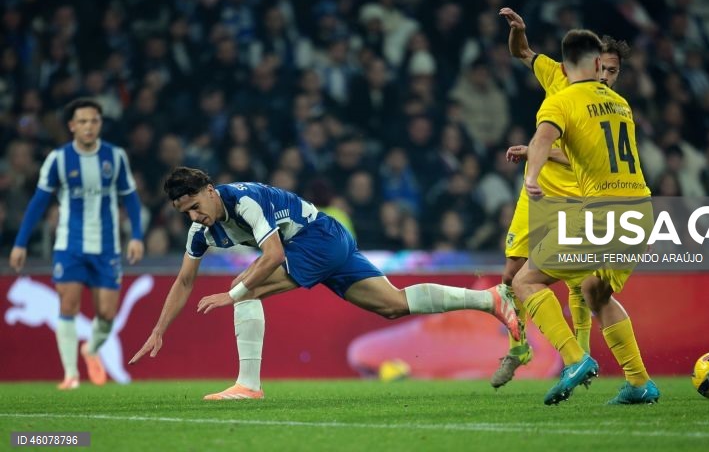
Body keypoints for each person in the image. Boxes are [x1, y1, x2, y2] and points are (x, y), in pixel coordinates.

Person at [129, 167, 519, 400]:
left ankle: (248, 385)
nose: (195, 216)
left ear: (211, 190)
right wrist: (159, 329)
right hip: (326, 240)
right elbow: (183, 281)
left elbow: (274, 257)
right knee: (392, 304)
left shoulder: (245, 201)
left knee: (244, 287)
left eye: (197, 205)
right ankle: (490, 300)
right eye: (186, 213)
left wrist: (232, 295)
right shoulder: (201, 230)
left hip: (318, 238)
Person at [512, 29, 659, 405]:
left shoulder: (561, 101)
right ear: (597, 65)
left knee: (525, 281)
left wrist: (531, 177)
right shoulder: (619, 103)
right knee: (596, 290)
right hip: (640, 211)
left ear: (562, 67)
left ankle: (576, 359)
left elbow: (543, 139)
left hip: (601, 214)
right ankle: (640, 383)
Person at [489, 7, 631, 388]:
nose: (605, 76)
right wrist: (519, 30)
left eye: (612, 72)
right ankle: (518, 348)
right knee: (511, 273)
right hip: (536, 195)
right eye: (603, 68)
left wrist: (539, 149)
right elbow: (523, 53)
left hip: (576, 197)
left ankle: (579, 357)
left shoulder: (607, 106)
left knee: (578, 284)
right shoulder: (558, 75)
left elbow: (582, 154)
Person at [9, 98, 145, 390]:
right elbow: (38, 202)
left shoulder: (115, 156)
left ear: (100, 124)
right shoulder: (58, 159)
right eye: (82, 121)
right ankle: (70, 374)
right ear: (72, 126)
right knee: (67, 305)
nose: (88, 126)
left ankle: (91, 349)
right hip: (69, 245)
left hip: (107, 246)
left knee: (107, 314)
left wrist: (136, 235)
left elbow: (130, 197)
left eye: (94, 121)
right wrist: (20, 243)